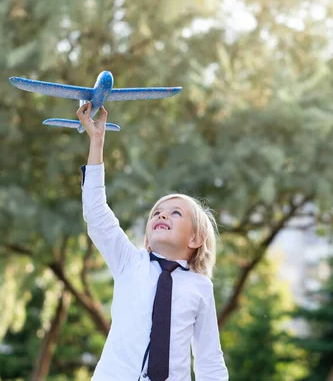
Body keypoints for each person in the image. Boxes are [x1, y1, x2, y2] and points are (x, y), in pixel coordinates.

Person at [77, 102, 229, 381]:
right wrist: (96, 142)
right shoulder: (129, 263)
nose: (162, 216)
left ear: (195, 238)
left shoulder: (200, 287)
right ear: (148, 235)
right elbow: (97, 215)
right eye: (156, 213)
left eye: (176, 213)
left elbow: (209, 359)